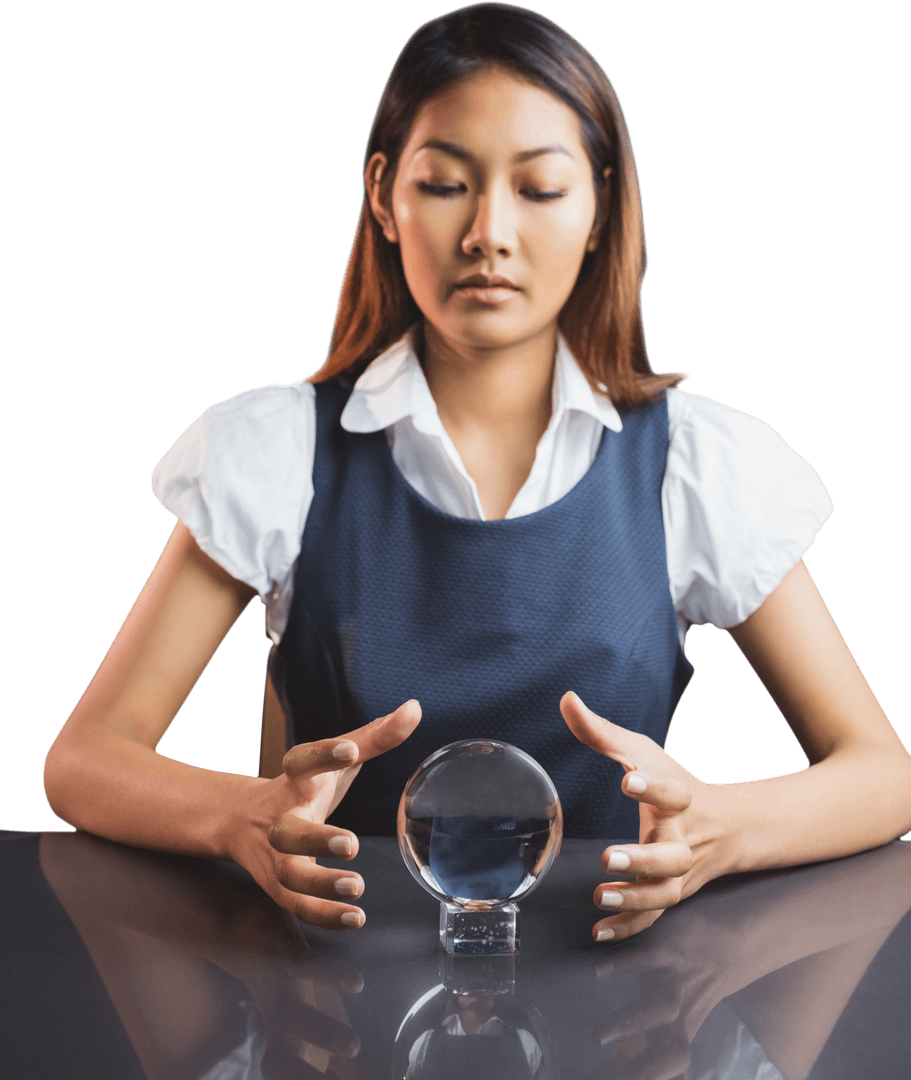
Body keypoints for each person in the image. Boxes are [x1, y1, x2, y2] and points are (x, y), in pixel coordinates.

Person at [43, 2, 911, 946]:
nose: (489, 233)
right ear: (384, 195)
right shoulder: (278, 449)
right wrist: (240, 817)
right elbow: (87, 759)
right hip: (333, 995)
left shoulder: (695, 464)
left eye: (539, 188)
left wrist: (721, 831)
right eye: (447, 184)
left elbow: (881, 772)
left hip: (621, 991)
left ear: (599, 208)